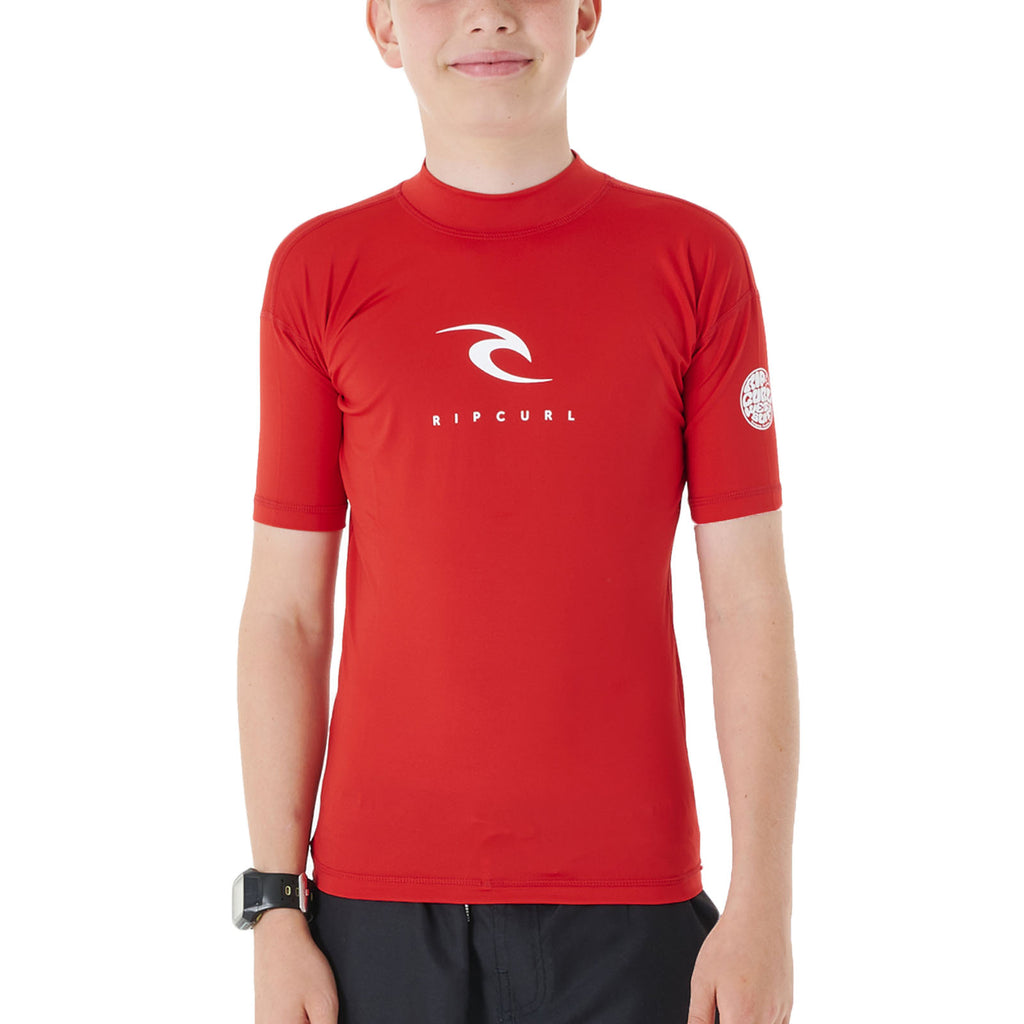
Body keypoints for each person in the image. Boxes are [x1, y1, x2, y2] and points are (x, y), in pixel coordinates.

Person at [235, 2, 799, 1023]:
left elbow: (747, 602)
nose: (487, 15)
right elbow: (288, 613)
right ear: (383, 26)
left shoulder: (694, 260)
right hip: (373, 910)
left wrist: (764, 907)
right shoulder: (318, 271)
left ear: (585, 14)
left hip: (632, 906)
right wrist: (275, 908)